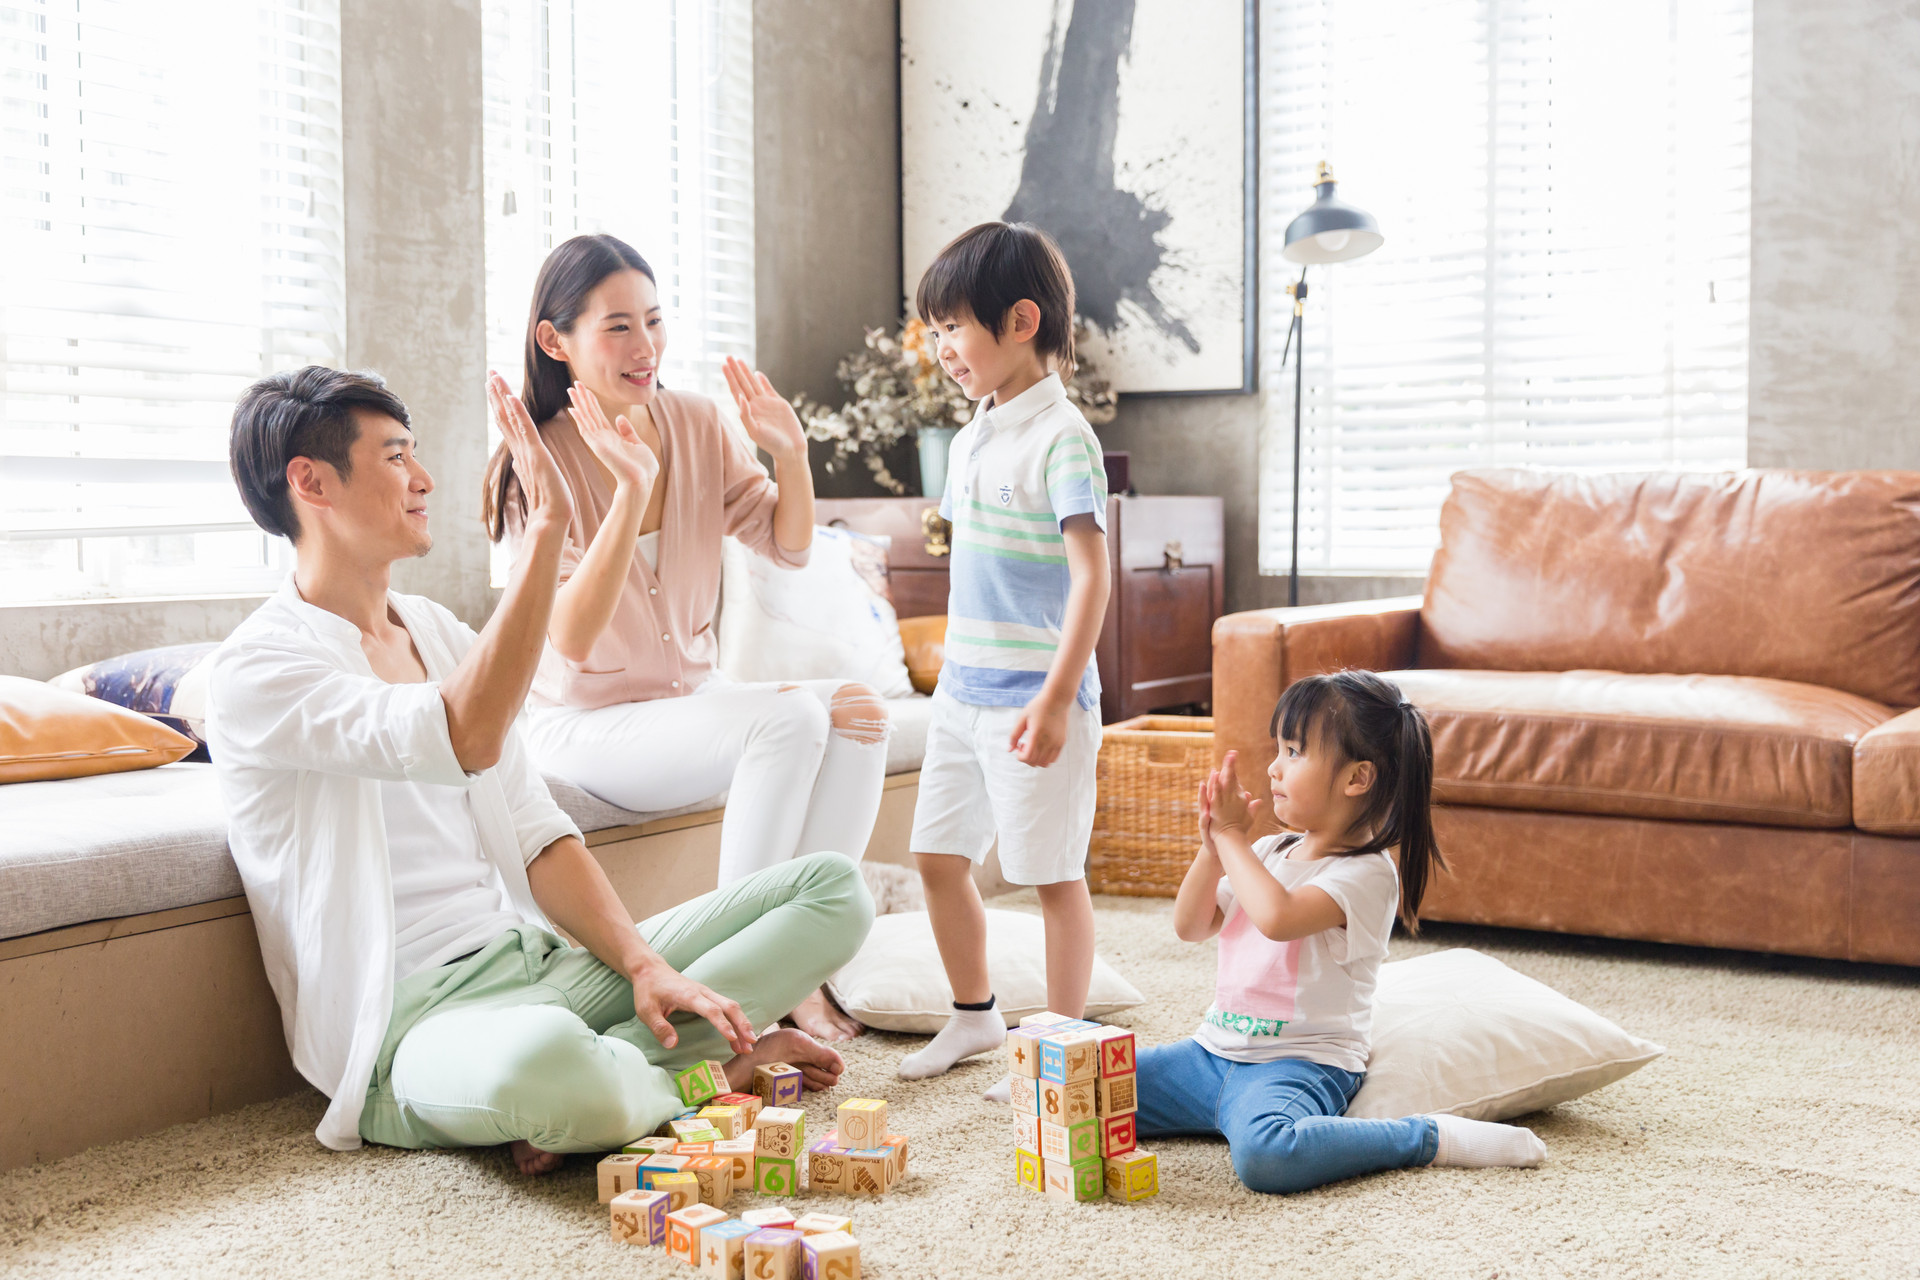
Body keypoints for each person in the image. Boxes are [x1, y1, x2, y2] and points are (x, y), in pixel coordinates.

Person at [208, 365, 870, 1171]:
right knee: (547, 1064)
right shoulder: (259, 670)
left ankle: (617, 1076)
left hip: (540, 966)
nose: (422, 481)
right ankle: (718, 1070)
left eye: (415, 454)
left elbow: (536, 832)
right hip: (411, 1027)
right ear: (311, 483)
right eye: (393, 458)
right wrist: (549, 529)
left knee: (834, 891)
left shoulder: (437, 631)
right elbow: (462, 737)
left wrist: (645, 967)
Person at [482, 234, 886, 1042]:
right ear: (554, 340)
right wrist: (630, 489)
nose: (646, 347)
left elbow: (790, 545)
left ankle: (798, 967)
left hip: (692, 707)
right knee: (790, 717)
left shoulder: (697, 422)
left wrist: (792, 455)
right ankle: (743, 986)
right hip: (586, 725)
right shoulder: (536, 458)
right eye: (619, 327)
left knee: (858, 712)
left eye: (655, 321)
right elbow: (568, 637)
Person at [1135, 671, 1548, 1193]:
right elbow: (1190, 926)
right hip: (1210, 1053)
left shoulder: (1366, 873)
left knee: (1268, 1157)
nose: (1273, 766)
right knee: (1087, 1089)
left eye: (1293, 751)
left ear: (1357, 778)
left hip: (1300, 1065)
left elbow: (1278, 918)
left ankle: (1426, 1137)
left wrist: (1232, 838)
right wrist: (1211, 848)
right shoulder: (1266, 853)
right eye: (1278, 748)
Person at [895, 222, 1110, 1086]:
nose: (943, 348)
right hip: (962, 696)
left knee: (1051, 875)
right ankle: (976, 1018)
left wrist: (1057, 698)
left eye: (954, 328)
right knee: (938, 860)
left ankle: (1060, 1044)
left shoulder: (1063, 437)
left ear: (1021, 321)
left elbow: (1092, 579)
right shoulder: (977, 430)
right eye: (935, 330)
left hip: (1034, 699)